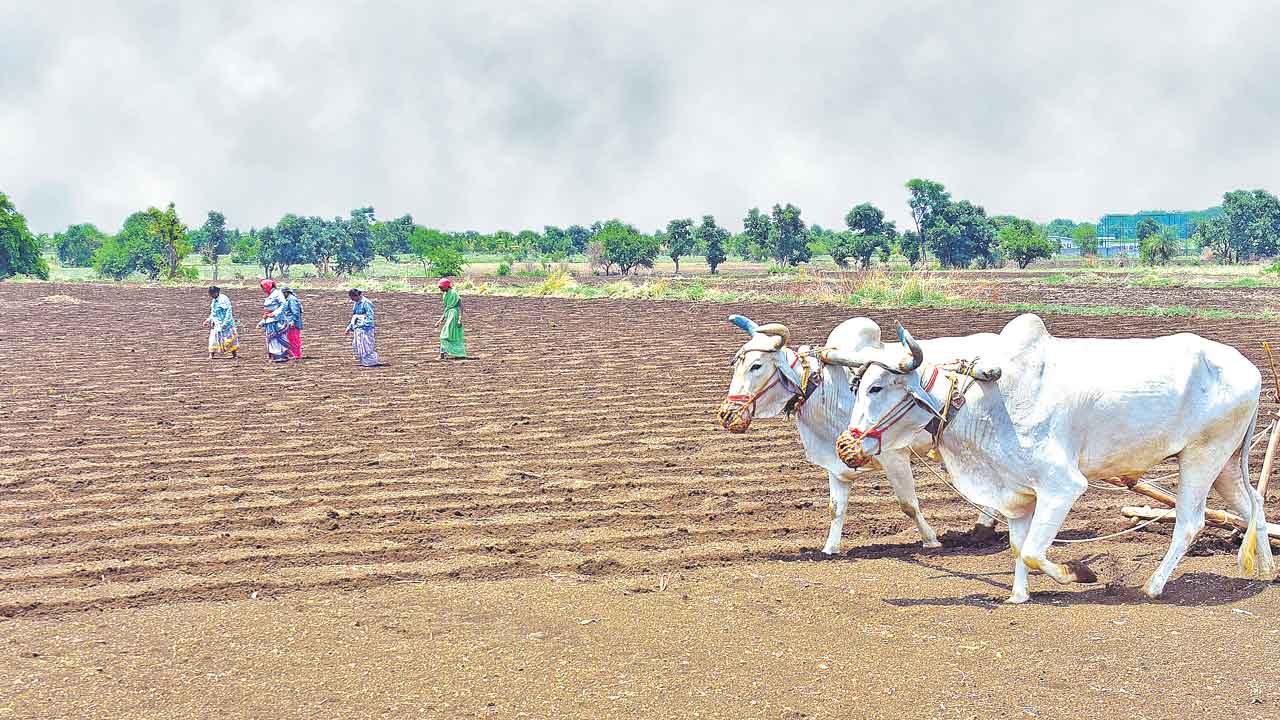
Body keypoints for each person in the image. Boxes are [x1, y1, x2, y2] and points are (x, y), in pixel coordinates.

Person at [256, 278, 290, 363]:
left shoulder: (277, 293)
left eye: (263, 288)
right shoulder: (270, 295)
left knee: (276, 338)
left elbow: (283, 304)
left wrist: (275, 313)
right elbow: (268, 311)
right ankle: (277, 355)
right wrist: (262, 322)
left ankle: (279, 355)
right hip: (270, 320)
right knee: (272, 339)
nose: (263, 290)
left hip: (277, 320)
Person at [201, 286, 239, 359]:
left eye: (212, 294)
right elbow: (213, 313)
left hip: (226, 323)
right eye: (210, 294)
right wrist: (208, 320)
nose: (211, 296)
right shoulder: (214, 301)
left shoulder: (224, 299)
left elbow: (228, 312)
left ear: (216, 292)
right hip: (217, 323)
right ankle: (211, 355)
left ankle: (234, 355)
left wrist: (225, 323)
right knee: (213, 339)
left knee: (230, 339)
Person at [345, 288, 379, 367]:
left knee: (367, 345)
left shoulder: (366, 303)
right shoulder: (356, 303)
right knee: (358, 344)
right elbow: (355, 316)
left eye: (353, 298)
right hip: (358, 327)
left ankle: (371, 361)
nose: (353, 300)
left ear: (358, 295)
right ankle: (364, 361)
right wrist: (350, 327)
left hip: (366, 328)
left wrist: (362, 324)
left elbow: (370, 317)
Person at [435, 278, 466, 359]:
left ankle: (443, 355)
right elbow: (446, 308)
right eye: (439, 287)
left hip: (454, 315)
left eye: (441, 287)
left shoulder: (454, 293)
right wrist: (440, 321)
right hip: (449, 314)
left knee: (444, 335)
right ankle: (443, 355)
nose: (440, 289)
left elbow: (461, 306)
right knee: (449, 335)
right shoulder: (445, 295)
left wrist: (460, 319)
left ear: (446, 286)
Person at [282, 286, 304, 359]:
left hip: (293, 323)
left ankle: (297, 355)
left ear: (286, 293)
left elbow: (295, 312)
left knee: (294, 339)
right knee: (290, 339)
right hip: (289, 322)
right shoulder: (289, 299)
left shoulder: (292, 300)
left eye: (283, 293)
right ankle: (294, 354)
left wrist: (293, 322)